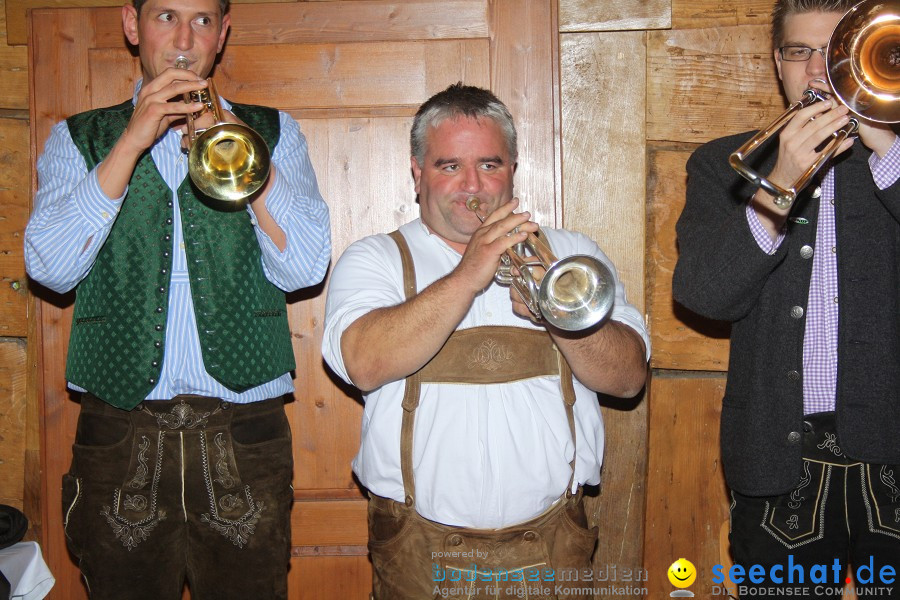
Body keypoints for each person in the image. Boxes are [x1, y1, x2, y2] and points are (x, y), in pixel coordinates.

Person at [24, 0, 330, 597]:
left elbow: (304, 267)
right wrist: (130, 144)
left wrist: (245, 154)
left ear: (222, 32)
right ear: (132, 25)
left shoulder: (274, 132)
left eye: (202, 20)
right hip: (118, 431)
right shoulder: (78, 138)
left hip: (246, 431)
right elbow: (51, 271)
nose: (185, 38)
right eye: (166, 17)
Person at [322, 83, 648, 600]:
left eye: (490, 165)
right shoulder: (375, 259)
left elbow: (629, 379)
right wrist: (468, 273)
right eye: (450, 166)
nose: (472, 186)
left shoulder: (569, 254)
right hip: (419, 551)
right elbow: (362, 362)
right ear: (417, 172)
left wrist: (559, 321)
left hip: (554, 544)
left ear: (513, 169)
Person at [673, 0, 900, 595]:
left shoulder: (894, 160)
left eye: (840, 53)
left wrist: (884, 141)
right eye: (802, 52)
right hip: (778, 460)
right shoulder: (724, 165)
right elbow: (703, 296)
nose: (821, 71)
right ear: (779, 63)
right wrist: (776, 188)